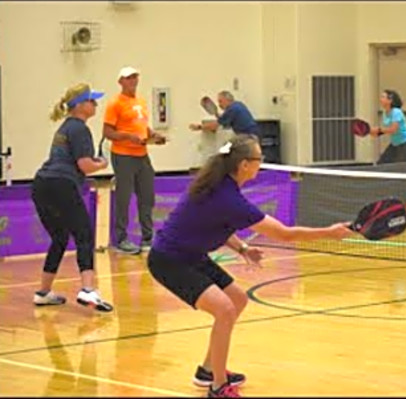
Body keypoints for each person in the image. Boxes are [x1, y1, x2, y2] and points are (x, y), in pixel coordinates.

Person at [147, 134, 352, 398]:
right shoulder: (227, 197)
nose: (261, 163)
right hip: (170, 260)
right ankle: (218, 387)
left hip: (192, 256)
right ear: (245, 164)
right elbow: (285, 234)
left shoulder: (222, 187)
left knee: (237, 299)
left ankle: (208, 371)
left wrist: (242, 248)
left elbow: (217, 224)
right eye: (259, 159)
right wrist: (329, 232)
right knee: (224, 310)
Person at [31, 83, 113, 312]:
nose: (95, 104)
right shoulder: (79, 128)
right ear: (80, 105)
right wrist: (103, 163)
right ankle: (88, 290)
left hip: (41, 185)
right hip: (61, 185)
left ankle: (43, 292)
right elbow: (85, 166)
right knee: (84, 235)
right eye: (92, 100)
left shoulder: (65, 128)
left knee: (59, 237)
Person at [103, 66, 167, 254]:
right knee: (123, 197)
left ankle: (148, 238)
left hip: (142, 154)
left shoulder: (140, 101)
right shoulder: (115, 103)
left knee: (147, 196)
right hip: (123, 155)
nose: (132, 81)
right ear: (121, 82)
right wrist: (128, 137)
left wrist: (154, 135)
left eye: (134, 77)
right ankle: (121, 239)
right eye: (128, 78)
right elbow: (107, 132)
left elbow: (142, 127)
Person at [370, 89, 406, 164]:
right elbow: (388, 130)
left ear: (390, 100)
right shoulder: (385, 112)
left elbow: (394, 129)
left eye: (383, 97)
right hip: (395, 144)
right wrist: (378, 133)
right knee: (381, 163)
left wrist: (379, 130)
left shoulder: (396, 112)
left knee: (401, 168)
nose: (380, 99)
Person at [189, 91, 258, 135]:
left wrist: (199, 127)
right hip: (253, 136)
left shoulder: (231, 109)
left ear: (227, 100)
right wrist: (217, 115)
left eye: (220, 101)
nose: (219, 104)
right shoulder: (238, 104)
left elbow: (215, 125)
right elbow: (225, 121)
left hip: (248, 139)